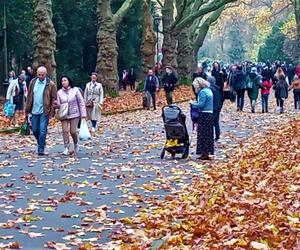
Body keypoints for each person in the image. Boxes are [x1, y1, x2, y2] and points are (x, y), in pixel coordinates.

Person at [25, 66, 57, 155]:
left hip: (44, 110)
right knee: (35, 130)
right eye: (39, 75)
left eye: (42, 75)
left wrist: (52, 110)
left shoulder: (50, 84)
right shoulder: (32, 82)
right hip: (34, 110)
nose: (40, 76)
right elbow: (29, 96)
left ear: (46, 74)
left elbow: (54, 98)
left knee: (43, 130)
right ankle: (41, 142)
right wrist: (27, 109)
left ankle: (41, 148)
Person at [56, 75, 87, 155]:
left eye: (65, 80)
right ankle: (66, 147)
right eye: (62, 81)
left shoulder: (75, 90)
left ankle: (76, 143)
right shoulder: (59, 92)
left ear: (69, 81)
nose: (63, 82)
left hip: (75, 113)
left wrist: (83, 114)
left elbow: (81, 102)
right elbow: (58, 104)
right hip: (64, 114)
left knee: (73, 131)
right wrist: (56, 105)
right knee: (65, 131)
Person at [191, 78, 214, 160]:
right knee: (208, 134)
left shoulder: (202, 92)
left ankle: (204, 152)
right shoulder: (209, 90)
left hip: (204, 114)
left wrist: (193, 103)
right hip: (210, 113)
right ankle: (207, 152)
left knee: (203, 134)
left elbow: (201, 105)